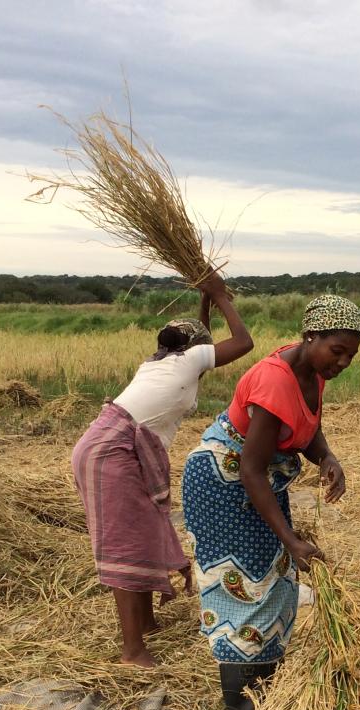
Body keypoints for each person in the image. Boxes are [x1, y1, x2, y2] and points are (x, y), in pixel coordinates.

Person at [182, 295, 360, 710]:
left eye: (351, 355)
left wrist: (328, 458)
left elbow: (307, 427)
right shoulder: (274, 381)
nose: (342, 363)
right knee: (242, 584)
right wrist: (291, 537)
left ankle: (263, 691)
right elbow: (250, 469)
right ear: (310, 336)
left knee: (276, 579)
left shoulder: (312, 371)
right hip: (225, 483)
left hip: (257, 480)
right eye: (337, 351)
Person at [72, 273, 253, 668]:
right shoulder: (185, 361)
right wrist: (221, 296)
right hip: (112, 452)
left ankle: (148, 622)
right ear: (194, 350)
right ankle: (132, 651)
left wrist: (205, 299)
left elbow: (202, 341)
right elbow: (244, 342)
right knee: (125, 543)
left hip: (109, 444)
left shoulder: (164, 363)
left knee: (144, 532)